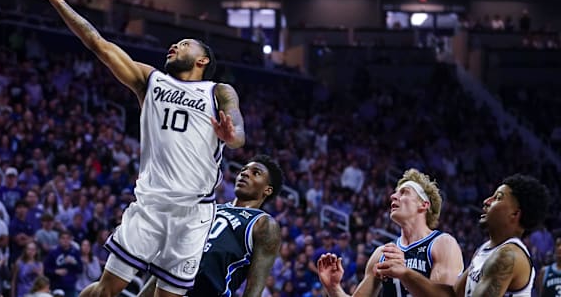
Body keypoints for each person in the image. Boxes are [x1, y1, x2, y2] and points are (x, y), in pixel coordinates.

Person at [17, 0, 245, 297]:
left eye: (186, 43)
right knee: (106, 289)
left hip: (193, 214)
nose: (176, 44)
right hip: (151, 204)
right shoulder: (149, 80)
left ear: (202, 59)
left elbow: (238, 133)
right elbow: (98, 43)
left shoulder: (218, 91)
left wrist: (231, 134)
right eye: (176, 42)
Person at [376, 174, 550, 297]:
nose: (486, 201)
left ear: (515, 214)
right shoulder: (485, 250)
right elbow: (451, 294)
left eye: (497, 198)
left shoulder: (509, 256)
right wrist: (405, 273)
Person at [139, 155, 283, 297]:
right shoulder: (208, 209)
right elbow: (173, 259)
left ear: (267, 190)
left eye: (255, 173)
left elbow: (255, 287)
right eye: (243, 170)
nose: (244, 173)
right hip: (174, 286)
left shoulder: (263, 224)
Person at [317, 169, 464, 297]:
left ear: (423, 205)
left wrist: (405, 273)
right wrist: (333, 288)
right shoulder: (382, 253)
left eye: (404, 192)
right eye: (395, 193)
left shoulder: (443, 244)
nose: (393, 196)